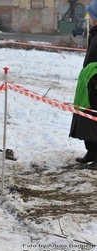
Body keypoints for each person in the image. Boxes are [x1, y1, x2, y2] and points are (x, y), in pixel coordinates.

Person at [70, 0, 97, 170]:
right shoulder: (94, 32)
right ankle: (92, 152)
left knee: (95, 119)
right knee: (87, 118)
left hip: (95, 82)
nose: (90, 18)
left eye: (92, 14)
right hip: (89, 83)